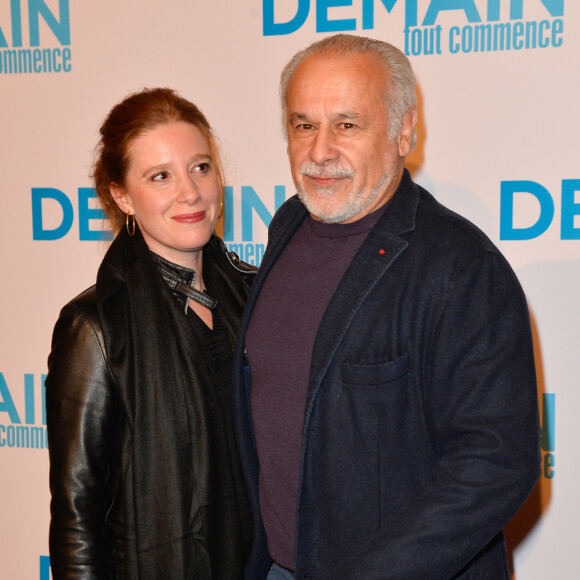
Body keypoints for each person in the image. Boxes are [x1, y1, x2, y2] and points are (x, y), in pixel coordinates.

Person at [233, 34, 541, 580]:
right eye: (304, 125)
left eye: (347, 124)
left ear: (404, 130)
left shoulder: (460, 267)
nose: (320, 151)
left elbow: (496, 460)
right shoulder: (288, 224)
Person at [46, 88, 256, 579]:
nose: (191, 192)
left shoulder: (252, 297)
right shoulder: (95, 326)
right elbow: (77, 516)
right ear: (122, 195)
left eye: (200, 167)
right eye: (160, 176)